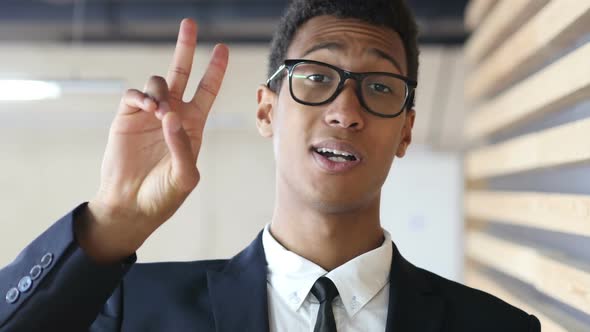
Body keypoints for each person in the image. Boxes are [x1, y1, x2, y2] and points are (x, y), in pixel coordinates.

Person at [0, 0, 541, 331]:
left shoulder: (496, 327)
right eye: (316, 76)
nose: (345, 111)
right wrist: (112, 220)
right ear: (266, 110)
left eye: (379, 87)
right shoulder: (132, 310)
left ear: (405, 130)